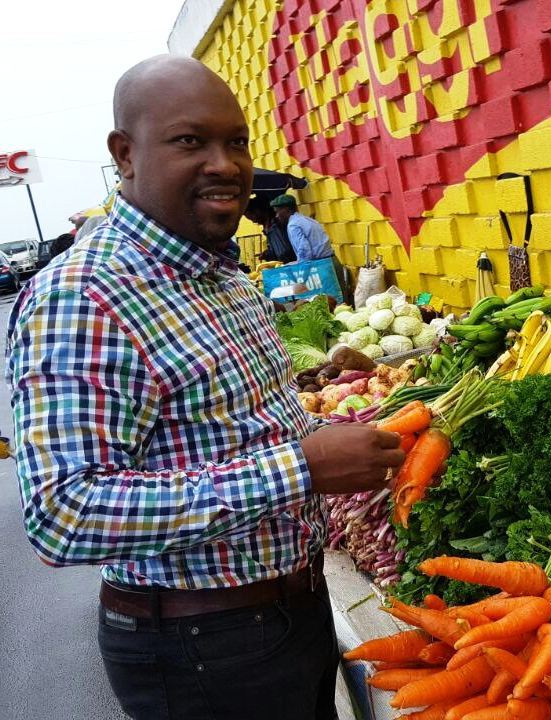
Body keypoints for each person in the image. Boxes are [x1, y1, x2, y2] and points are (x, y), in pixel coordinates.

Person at [5, 55, 405, 720]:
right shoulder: (85, 296)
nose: (225, 164)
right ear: (124, 154)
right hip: (198, 648)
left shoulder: (229, 283)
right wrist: (299, 468)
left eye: (238, 142)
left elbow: (263, 428)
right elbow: (63, 514)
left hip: (289, 614)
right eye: (191, 141)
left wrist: (348, 444)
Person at [270, 193, 333, 261]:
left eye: (277, 212)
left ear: (287, 209)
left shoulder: (293, 225)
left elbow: (304, 252)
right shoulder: (306, 220)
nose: (277, 216)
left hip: (321, 264)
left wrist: (300, 268)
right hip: (330, 260)